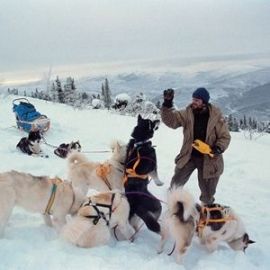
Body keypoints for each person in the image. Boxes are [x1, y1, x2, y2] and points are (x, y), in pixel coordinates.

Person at [161, 87, 231, 204]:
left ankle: (206, 212)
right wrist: (167, 104)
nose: (194, 102)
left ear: (204, 102)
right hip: (189, 156)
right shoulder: (187, 113)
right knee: (176, 184)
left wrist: (218, 148)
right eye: (193, 99)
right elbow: (171, 121)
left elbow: (225, 136)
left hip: (208, 158)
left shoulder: (215, 116)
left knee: (208, 192)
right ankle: (171, 205)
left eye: (197, 100)